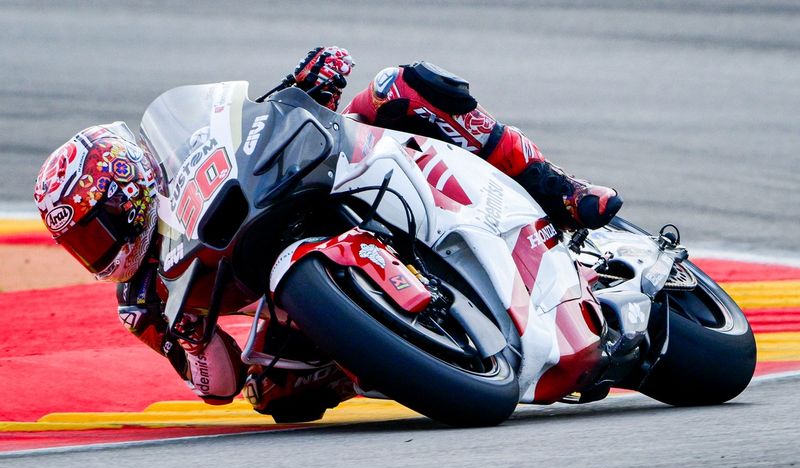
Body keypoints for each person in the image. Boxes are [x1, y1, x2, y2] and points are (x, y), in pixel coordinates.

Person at [33, 46, 622, 421]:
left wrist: (305, 89)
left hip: (339, 178)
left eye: (102, 227)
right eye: (83, 243)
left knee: (404, 85)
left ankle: (556, 185)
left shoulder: (186, 158)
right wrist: (189, 341)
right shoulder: (142, 303)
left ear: (132, 185)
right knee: (274, 397)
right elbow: (218, 385)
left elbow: (248, 125)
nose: (102, 249)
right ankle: (394, 356)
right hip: (298, 306)